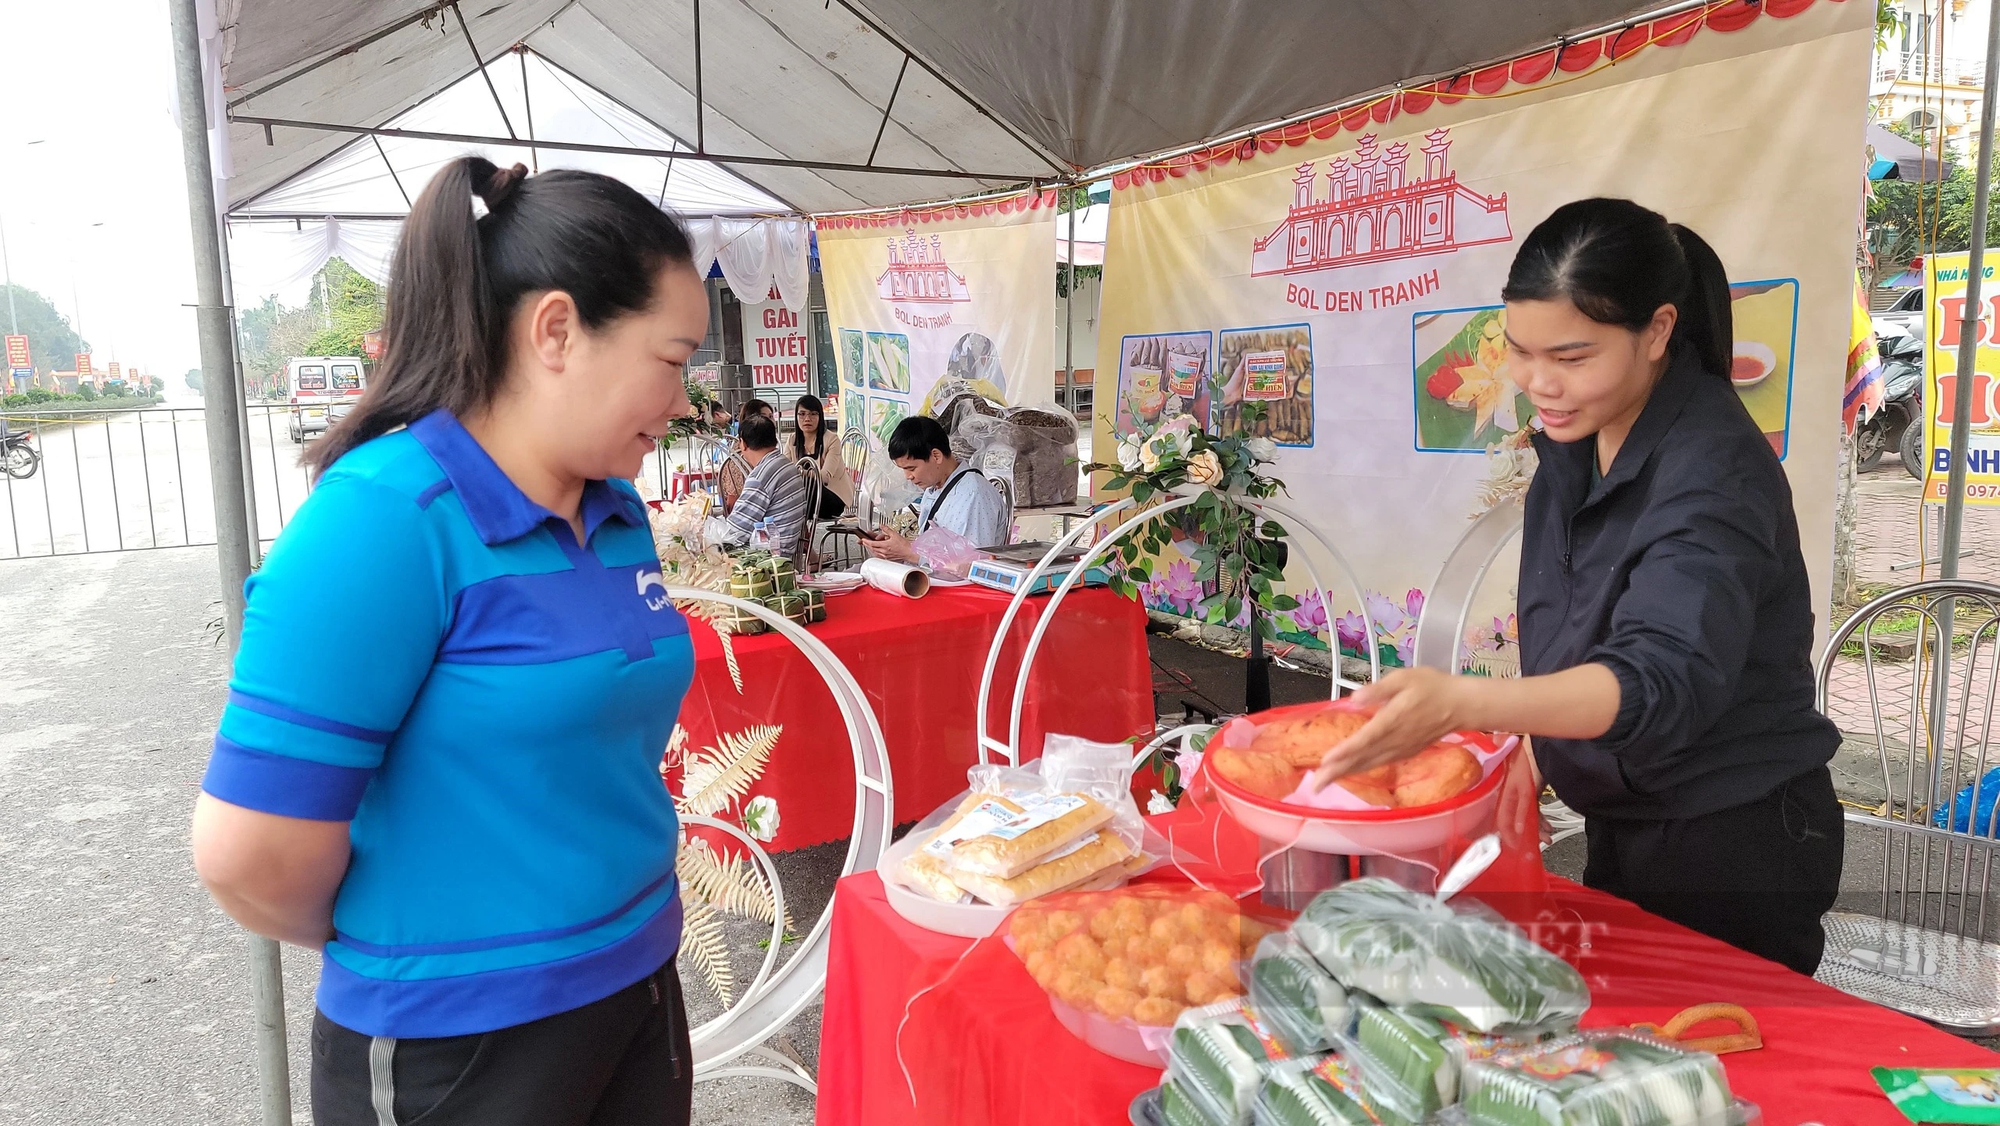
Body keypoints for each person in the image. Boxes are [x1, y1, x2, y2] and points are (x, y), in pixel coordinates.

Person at [189, 157, 709, 1125]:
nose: (682, 400)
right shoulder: (383, 521)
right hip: (456, 1041)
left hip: (636, 980)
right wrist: (426, 935)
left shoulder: (616, 509)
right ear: (555, 330)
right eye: (672, 360)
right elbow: (247, 854)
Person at [1308, 198, 1842, 975]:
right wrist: (1534, 742)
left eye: (1571, 357)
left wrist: (1468, 703)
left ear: (1658, 331)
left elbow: (1661, 677)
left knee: (1712, 1069)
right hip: (1626, 815)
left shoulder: (1713, 471)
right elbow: (1582, 618)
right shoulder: (1575, 439)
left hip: (1731, 840)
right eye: (1520, 351)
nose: (1536, 383)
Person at [863, 415, 1010, 562]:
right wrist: (895, 549)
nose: (908, 476)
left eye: (911, 468)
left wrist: (909, 552)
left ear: (936, 456)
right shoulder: (934, 489)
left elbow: (970, 563)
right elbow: (933, 552)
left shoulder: (974, 494)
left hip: (957, 584)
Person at [709, 412, 808, 555]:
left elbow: (736, 533)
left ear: (742, 444)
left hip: (769, 556)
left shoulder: (760, 478)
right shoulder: (786, 464)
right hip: (788, 549)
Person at [785, 393, 854, 519]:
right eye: (802, 414)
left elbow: (824, 477)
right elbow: (784, 471)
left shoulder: (832, 440)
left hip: (832, 496)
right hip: (805, 496)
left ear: (820, 416)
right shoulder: (792, 439)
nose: (807, 418)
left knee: (801, 490)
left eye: (813, 414)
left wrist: (798, 474)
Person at [717, 398, 777, 511]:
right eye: (764, 417)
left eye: (771, 416)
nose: (770, 422)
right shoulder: (739, 454)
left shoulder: (771, 449)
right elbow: (732, 500)